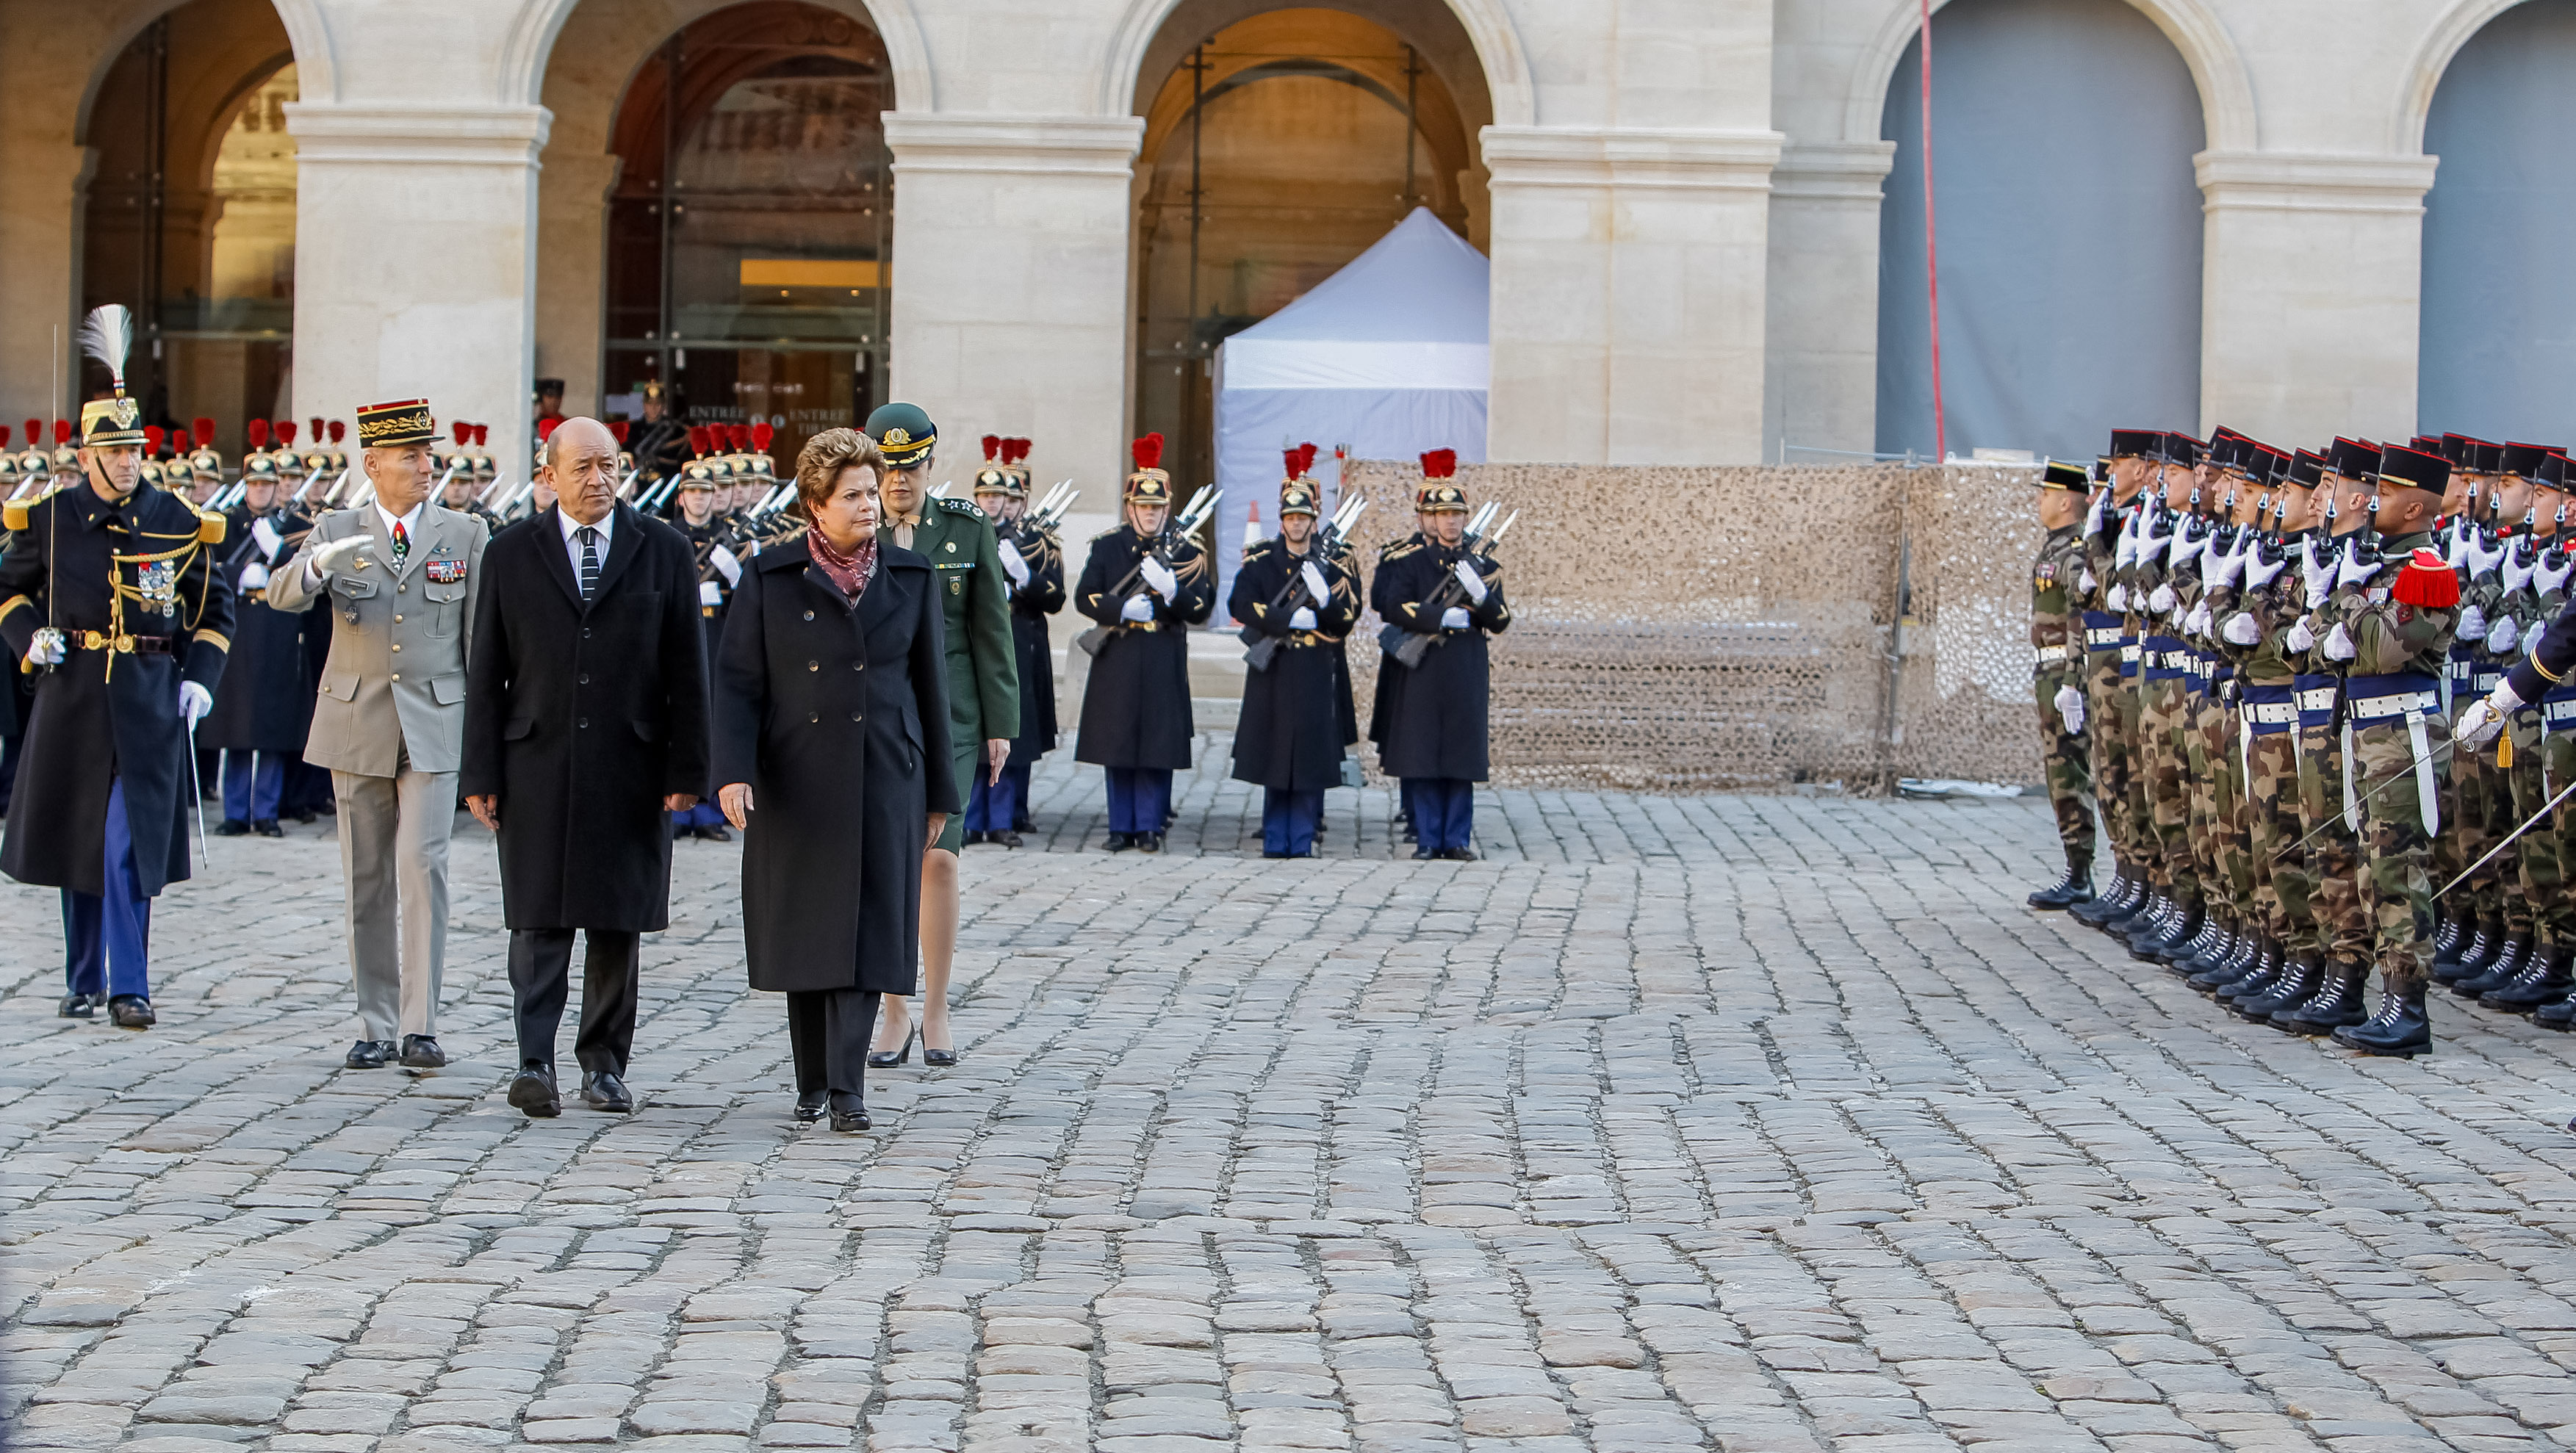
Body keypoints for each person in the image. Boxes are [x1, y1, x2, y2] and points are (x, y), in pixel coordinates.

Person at [461, 416, 710, 1118]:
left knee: (615, 922)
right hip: (536, 761)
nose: (598, 479)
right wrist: (479, 773)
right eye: (582, 468)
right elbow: (488, 673)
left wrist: (686, 767)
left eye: (609, 465)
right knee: (537, 921)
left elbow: (688, 670)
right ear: (549, 476)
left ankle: (603, 1065)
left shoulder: (661, 549)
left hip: (630, 765)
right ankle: (533, 1061)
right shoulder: (511, 554)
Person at [713, 429, 955, 1131]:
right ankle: (813, 1080)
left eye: (872, 492)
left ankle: (848, 1091)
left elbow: (930, 690)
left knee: (867, 931)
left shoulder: (911, 577)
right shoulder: (769, 577)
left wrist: (940, 791)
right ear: (815, 505)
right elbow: (736, 685)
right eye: (852, 494)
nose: (869, 505)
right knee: (807, 933)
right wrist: (732, 772)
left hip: (885, 774)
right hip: (795, 778)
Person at [0, 308, 233, 1028]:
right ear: (86, 456)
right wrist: (29, 639)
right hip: (72, 697)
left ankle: (129, 982)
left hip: (148, 699)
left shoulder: (176, 517)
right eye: (117, 451)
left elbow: (214, 611)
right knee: (80, 840)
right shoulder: (49, 516)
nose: (130, 460)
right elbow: (9, 588)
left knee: (126, 844)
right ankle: (82, 976)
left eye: (136, 448)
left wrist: (199, 679)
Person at [269, 399, 489, 1072]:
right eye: (411, 456)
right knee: (366, 876)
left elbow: (479, 638)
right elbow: (282, 596)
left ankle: (420, 1024)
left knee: (424, 868)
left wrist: (483, 741)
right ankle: (375, 1021)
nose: (428, 466)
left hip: (435, 719)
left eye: (429, 454)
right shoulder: (336, 526)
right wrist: (315, 565)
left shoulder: (465, 533)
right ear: (373, 464)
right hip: (357, 719)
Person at [862, 403, 1017, 1070]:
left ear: (930, 464)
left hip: (950, 714)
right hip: (875, 715)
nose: (899, 481)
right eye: (886, 469)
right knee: (888, 861)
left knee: (940, 857)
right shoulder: (851, 525)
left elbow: (990, 628)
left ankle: (936, 1007)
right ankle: (894, 1007)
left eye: (910, 467)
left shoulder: (964, 529)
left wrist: (1000, 724)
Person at [1075, 433, 1214, 854]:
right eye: (1142, 507)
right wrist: (1121, 610)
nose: (1149, 514)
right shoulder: (1108, 547)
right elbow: (1085, 596)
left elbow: (1202, 607)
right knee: (1117, 745)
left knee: (1157, 745)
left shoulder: (1187, 550)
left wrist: (1173, 591)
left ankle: (1150, 827)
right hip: (1118, 655)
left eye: (1156, 508)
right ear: (1129, 508)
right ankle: (1121, 828)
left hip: (1161, 656)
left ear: (1167, 509)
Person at [1372, 459, 1508, 859]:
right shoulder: (1412, 563)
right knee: (1425, 752)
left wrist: (1480, 596)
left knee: (1460, 755)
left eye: (1457, 514)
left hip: (1465, 665)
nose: (1450, 522)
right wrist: (1436, 616)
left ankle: (1457, 839)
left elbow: (1500, 620)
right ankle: (1430, 839)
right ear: (1429, 518)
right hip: (1426, 666)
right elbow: (1392, 607)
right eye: (1442, 514)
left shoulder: (1483, 566)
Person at [1229, 479, 1359, 858]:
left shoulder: (1330, 568)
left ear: (1313, 521)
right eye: (1291, 517)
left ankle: (1301, 839)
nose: (1297, 524)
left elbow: (1347, 617)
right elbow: (1241, 604)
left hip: (1314, 668)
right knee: (1274, 755)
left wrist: (1324, 600)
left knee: (1308, 756)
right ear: (1281, 521)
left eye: (1303, 517)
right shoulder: (1262, 562)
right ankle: (1274, 837)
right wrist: (1283, 621)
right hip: (1275, 668)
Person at [203, 436, 313, 838]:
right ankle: (235, 812)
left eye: (268, 485)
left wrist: (279, 554)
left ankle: (265, 811)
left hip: (278, 626)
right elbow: (209, 570)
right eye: (254, 485)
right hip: (238, 628)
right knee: (237, 723)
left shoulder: (296, 527)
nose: (261, 491)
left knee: (270, 724)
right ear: (245, 485)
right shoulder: (224, 524)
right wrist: (237, 577)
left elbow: (309, 574)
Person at [963, 443, 1062, 847]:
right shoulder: (965, 535)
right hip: (972, 641)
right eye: (984, 496)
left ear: (1009, 500)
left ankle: (1002, 818)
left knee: (1006, 732)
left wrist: (1024, 578)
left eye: (998, 496)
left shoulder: (1026, 542)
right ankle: (972, 819)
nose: (991, 502)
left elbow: (1054, 597)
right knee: (973, 731)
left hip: (1015, 642)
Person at [2026, 458, 2095, 907]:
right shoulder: (2054, 547)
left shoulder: (2073, 549)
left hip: (2065, 674)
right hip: (2048, 672)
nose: (2039, 500)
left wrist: (2072, 681)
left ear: (2066, 499)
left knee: (2071, 773)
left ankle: (2081, 872)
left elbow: (2078, 618)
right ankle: (2077, 867)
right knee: (2060, 773)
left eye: (2045, 493)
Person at [669, 464, 741, 841]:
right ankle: (679, 813)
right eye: (691, 491)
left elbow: (745, 602)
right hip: (678, 634)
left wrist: (734, 580)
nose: (698, 498)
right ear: (681, 496)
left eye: (705, 491)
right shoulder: (666, 535)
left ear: (715, 496)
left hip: (715, 634)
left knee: (713, 722)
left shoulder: (727, 539)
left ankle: (709, 812)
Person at [627, 380, 691, 488]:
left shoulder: (678, 430)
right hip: (639, 483)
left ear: (664, 405)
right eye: (650, 404)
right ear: (644, 405)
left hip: (667, 483)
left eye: (658, 404)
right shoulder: (634, 429)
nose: (654, 408)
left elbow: (680, 460)